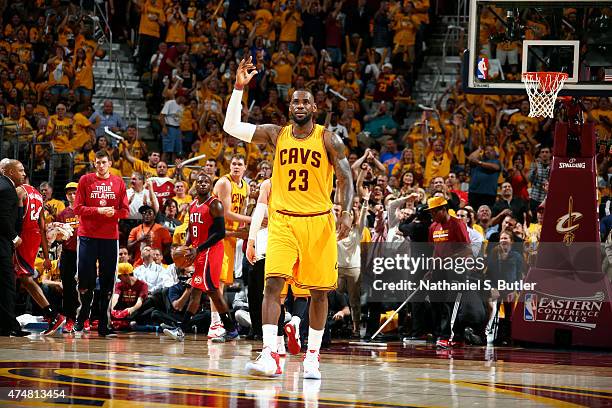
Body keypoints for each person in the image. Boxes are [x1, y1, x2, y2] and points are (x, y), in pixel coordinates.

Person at [224, 57, 354, 379]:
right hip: (282, 220)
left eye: (305, 102)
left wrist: (347, 210)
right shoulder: (275, 134)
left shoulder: (328, 138)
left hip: (318, 221)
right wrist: (239, 88)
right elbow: (231, 127)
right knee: (272, 284)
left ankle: (312, 356)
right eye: (294, 101)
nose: (299, 105)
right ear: (289, 106)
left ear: (315, 107)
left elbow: (346, 177)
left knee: (320, 292)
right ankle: (270, 353)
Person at [163, 173, 239, 342]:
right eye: (200, 181)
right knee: (208, 292)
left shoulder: (215, 204)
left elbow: (219, 233)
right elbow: (192, 228)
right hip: (199, 252)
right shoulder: (193, 205)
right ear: (195, 185)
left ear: (211, 185)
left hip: (211, 251)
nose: (203, 184)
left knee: (203, 291)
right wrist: (188, 247)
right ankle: (231, 329)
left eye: (206, 182)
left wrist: (198, 249)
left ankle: (182, 329)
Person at [74, 149, 129, 337]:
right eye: (97, 162)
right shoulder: (85, 180)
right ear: (94, 163)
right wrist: (99, 210)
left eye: (104, 162)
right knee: (85, 279)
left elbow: (125, 211)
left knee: (107, 281)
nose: (101, 165)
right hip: (87, 236)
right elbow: (77, 208)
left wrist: (113, 212)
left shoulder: (119, 182)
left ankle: (104, 322)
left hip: (109, 238)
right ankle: (82, 317)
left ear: (110, 163)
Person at [15, 177, 66, 335]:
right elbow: (43, 228)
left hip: (23, 236)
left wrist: (13, 236)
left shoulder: (19, 191)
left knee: (24, 278)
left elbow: (16, 220)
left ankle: (52, 314)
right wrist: (45, 256)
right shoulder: (37, 195)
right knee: (22, 278)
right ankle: (51, 315)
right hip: (35, 237)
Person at [209, 154, 250, 339]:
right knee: (216, 282)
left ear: (245, 168)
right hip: (217, 233)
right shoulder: (225, 183)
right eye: (233, 163)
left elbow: (240, 212)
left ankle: (218, 321)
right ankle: (215, 322)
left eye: (239, 164)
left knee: (222, 282)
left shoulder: (246, 186)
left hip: (230, 236)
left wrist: (245, 226)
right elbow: (226, 213)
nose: (235, 166)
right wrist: (253, 220)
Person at [426, 196, 470, 349]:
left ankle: (447, 336)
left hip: (455, 270)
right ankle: (441, 334)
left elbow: (467, 249)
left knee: (450, 303)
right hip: (438, 271)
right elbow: (434, 250)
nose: (431, 216)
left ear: (443, 209)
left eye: (433, 212)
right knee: (436, 302)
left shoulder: (457, 224)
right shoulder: (433, 227)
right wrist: (431, 269)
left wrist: (448, 259)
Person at [0, 159, 29, 336]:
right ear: (10, 172)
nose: (24, 173)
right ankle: (10, 326)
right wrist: (14, 237)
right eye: (20, 170)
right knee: (7, 286)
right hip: (2, 245)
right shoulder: (6, 189)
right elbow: (2, 218)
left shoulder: (5, 187)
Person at [56, 182, 81, 333]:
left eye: (75, 193)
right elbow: (57, 237)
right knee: (69, 288)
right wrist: (58, 236)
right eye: (69, 193)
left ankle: (84, 318)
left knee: (85, 287)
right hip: (68, 253)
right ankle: (70, 319)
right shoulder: (62, 214)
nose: (72, 195)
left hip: (85, 253)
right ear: (66, 196)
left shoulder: (85, 211)